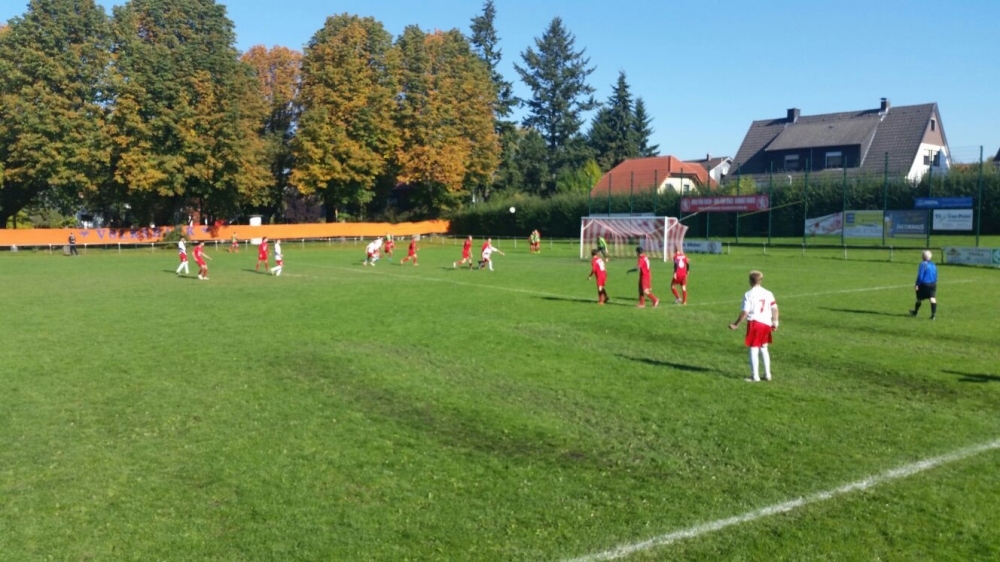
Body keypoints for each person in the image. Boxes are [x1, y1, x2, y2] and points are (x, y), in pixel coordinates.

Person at [728, 270, 779, 382]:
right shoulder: (768, 293)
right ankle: (767, 374)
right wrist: (775, 322)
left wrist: (736, 324)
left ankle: (755, 376)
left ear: (750, 281)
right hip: (766, 324)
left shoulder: (749, 294)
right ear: (761, 281)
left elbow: (745, 312)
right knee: (764, 348)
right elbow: (775, 309)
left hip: (755, 323)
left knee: (753, 349)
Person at [910, 249, 938, 320]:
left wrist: (917, 285)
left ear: (923, 256)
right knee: (932, 298)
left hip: (924, 284)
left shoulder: (923, 264)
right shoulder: (933, 264)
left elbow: (920, 276)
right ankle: (933, 315)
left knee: (919, 298)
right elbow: (936, 274)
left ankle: (915, 312)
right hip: (933, 284)